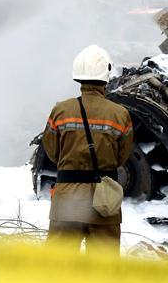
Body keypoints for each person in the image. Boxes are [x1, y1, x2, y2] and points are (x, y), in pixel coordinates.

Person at [42, 45, 134, 257]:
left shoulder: (60, 111)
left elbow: (52, 152)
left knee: (56, 264)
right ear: (106, 75)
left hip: (66, 200)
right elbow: (121, 157)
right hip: (103, 200)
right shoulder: (120, 114)